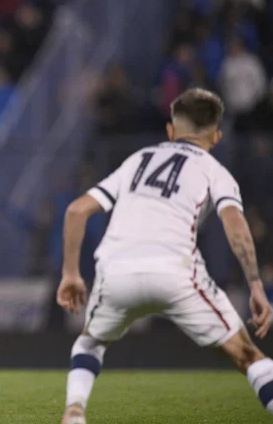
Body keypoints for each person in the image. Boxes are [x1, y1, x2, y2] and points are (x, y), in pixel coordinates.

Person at [56, 88, 273, 424]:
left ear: (171, 131)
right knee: (247, 355)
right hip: (177, 273)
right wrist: (256, 284)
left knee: (89, 344)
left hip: (116, 273)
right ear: (216, 137)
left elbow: (76, 210)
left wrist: (71, 274)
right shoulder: (216, 172)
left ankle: (74, 412)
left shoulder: (137, 160)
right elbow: (234, 223)